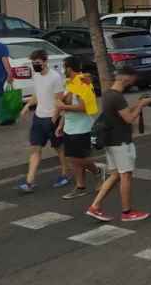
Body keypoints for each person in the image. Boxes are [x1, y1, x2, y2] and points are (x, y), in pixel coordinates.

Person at [86, 67, 151, 223]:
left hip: (111, 141)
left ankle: (95, 206)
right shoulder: (117, 97)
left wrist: (138, 103)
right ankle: (127, 212)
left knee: (115, 175)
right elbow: (129, 119)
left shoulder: (109, 94)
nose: (133, 83)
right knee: (126, 175)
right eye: (132, 80)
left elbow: (121, 113)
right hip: (120, 142)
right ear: (126, 79)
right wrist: (142, 105)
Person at [17, 49, 69, 193]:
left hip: (52, 118)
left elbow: (59, 100)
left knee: (59, 148)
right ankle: (29, 181)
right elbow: (37, 94)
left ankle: (65, 174)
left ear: (45, 62)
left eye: (38, 63)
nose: (36, 66)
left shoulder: (55, 78)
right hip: (38, 118)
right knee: (35, 148)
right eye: (33, 63)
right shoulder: (37, 76)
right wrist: (27, 106)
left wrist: (54, 119)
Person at [56, 56, 101, 200]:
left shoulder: (82, 83)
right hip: (70, 126)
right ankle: (80, 186)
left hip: (82, 127)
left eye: (64, 67)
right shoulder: (70, 83)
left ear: (69, 68)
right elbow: (66, 107)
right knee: (72, 158)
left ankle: (98, 171)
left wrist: (63, 106)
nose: (63, 70)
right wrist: (61, 124)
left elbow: (83, 107)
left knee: (78, 158)